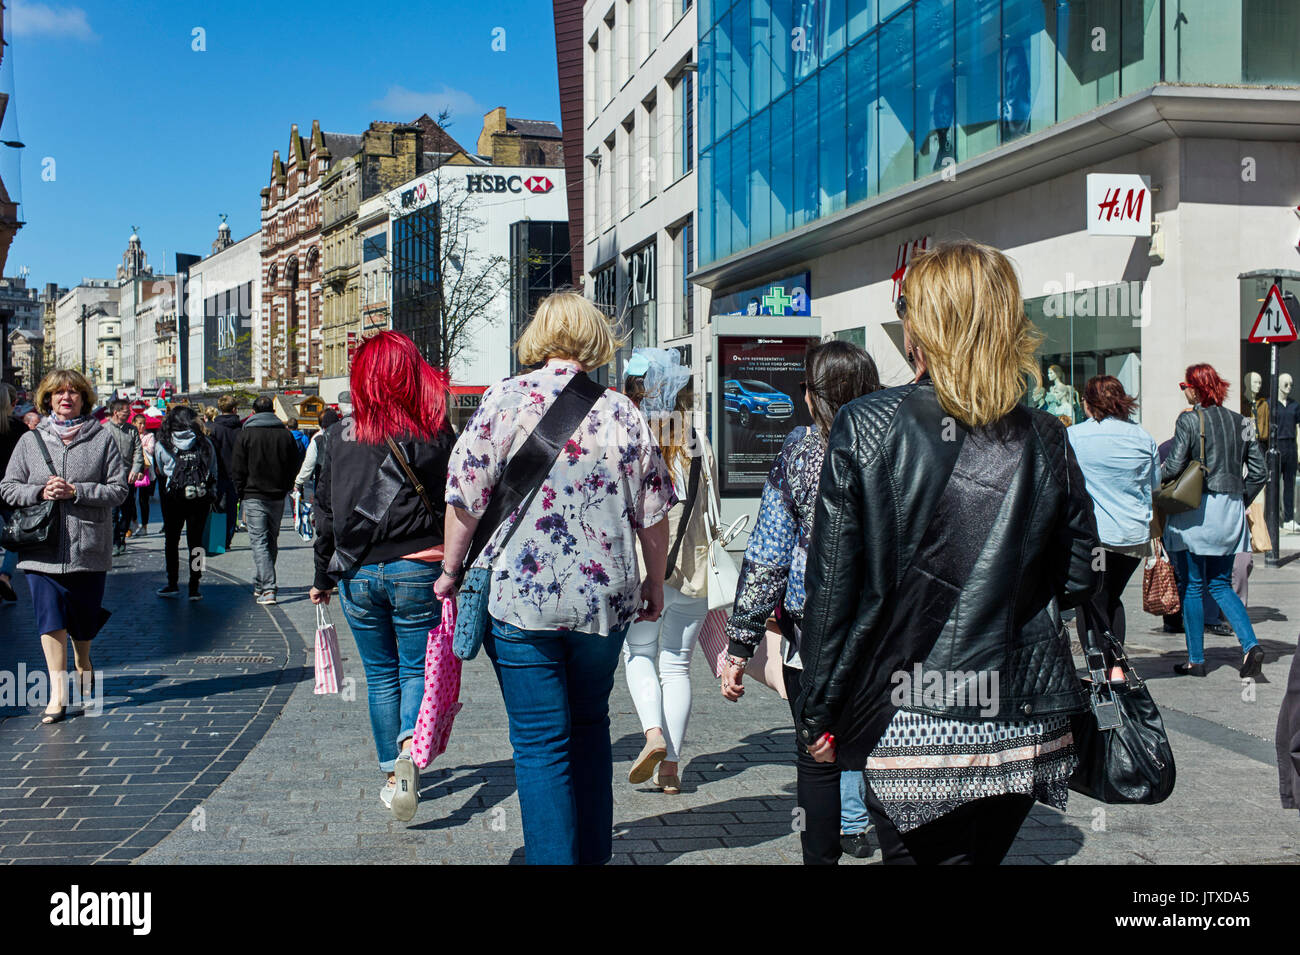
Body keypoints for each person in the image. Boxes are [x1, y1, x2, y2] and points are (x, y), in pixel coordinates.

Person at [796, 241, 1101, 865]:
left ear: (925, 326)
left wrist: (819, 711)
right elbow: (1081, 576)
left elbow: (832, 589)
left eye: (908, 308)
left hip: (903, 713)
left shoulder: (866, 424)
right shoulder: (1045, 435)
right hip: (1016, 717)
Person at [435, 290, 676, 866]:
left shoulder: (503, 400)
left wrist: (449, 571)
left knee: (541, 742)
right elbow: (655, 508)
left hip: (521, 602)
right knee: (591, 724)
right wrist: (656, 582)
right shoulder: (623, 411)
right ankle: (593, 855)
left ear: (538, 336)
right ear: (596, 339)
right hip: (604, 600)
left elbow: (465, 498)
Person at [721, 339, 882, 864]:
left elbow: (768, 549)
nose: (803, 398)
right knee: (890, 749)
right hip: (889, 627)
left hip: (813, 628)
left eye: (805, 388)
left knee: (816, 753)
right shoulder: (895, 441)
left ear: (818, 396)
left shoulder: (802, 448)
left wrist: (739, 643)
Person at [310, 333, 454, 822]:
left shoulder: (336, 437)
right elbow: (458, 503)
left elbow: (324, 512)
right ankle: (413, 746)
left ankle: (393, 773)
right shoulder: (434, 432)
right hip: (420, 566)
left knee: (380, 677)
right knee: (417, 668)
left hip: (356, 570)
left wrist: (321, 575)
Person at [1, 369, 128, 724]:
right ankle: (57, 695)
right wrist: (40, 491)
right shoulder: (30, 441)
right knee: (50, 619)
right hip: (42, 550)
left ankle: (83, 660)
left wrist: (79, 491)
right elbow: (8, 488)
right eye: (58, 393)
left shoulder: (102, 439)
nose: (65, 397)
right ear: (48, 398)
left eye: (72, 392)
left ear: (84, 398)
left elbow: (119, 490)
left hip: (88, 547)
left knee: (84, 621)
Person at [621, 350, 714, 797]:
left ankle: (653, 734)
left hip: (644, 570)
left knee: (639, 655)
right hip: (691, 568)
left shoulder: (631, 440)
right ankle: (672, 767)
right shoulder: (698, 441)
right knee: (677, 666)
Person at [1161, 364, 1266, 678]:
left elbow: (1175, 466)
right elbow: (1260, 472)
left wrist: (1153, 481)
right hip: (1231, 509)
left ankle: (1196, 660)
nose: (1185, 391)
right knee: (1220, 584)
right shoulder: (1243, 422)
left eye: (1186, 386)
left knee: (1193, 584)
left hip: (1197, 509)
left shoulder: (1190, 420)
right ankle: (1250, 646)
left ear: (1195, 388)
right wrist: (1239, 499)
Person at [1066, 375, 1160, 645]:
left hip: (1098, 538)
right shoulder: (1143, 437)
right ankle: (1116, 668)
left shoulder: (1075, 436)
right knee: (1111, 595)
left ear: (1090, 403)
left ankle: (1103, 669)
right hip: (1133, 537)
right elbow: (1154, 487)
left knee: (1092, 598)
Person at [231, 396, 300, 605]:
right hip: (278, 495)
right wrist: (287, 484)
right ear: (273, 410)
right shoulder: (285, 435)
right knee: (270, 540)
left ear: (253, 411)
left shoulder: (246, 435)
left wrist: (240, 490)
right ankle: (261, 583)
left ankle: (268, 588)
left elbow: (238, 467)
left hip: (254, 494)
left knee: (259, 541)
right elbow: (295, 463)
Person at [153, 405, 218, 601]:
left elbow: (161, 469)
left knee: (171, 541)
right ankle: (195, 585)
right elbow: (213, 469)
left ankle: (172, 582)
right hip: (199, 497)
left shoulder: (162, 443)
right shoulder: (204, 442)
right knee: (197, 542)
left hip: (173, 497)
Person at [104, 399, 144, 557]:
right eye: (126, 412)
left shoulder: (132, 430)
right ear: (116, 412)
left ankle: (122, 536)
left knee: (127, 510)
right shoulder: (104, 430)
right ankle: (114, 542)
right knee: (113, 512)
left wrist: (136, 469)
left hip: (128, 476)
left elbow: (138, 451)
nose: (128, 415)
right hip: (110, 477)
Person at [0, 383, 29, 604]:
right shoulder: (19, 430)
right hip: (12, 493)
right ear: (13, 403)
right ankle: (5, 576)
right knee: (16, 540)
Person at [208, 395, 244, 549]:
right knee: (232, 508)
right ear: (235, 409)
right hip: (236, 474)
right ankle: (228, 539)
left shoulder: (213, 428)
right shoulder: (240, 429)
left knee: (218, 508)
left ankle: (217, 540)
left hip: (218, 473)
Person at [294, 408, 340, 501]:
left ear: (321, 424)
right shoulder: (345, 437)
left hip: (323, 484)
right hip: (343, 485)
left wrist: (299, 482)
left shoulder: (318, 438)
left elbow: (309, 464)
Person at [133, 415, 157, 536]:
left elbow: (151, 449)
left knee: (143, 500)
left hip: (145, 471)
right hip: (131, 471)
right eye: (139, 423)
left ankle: (145, 525)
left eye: (144, 424)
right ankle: (133, 522)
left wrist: (138, 448)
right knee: (130, 500)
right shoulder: (130, 435)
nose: (142, 426)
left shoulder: (150, 436)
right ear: (134, 423)